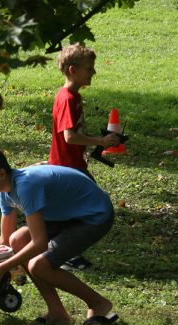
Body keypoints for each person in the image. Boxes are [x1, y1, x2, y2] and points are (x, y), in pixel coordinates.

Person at [0, 144, 118, 325]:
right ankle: (57, 313)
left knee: (39, 265)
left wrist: (1, 267)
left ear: (1, 174)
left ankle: (98, 303)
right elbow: (5, 239)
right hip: (66, 214)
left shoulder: (26, 187)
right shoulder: (4, 192)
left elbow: (39, 243)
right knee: (17, 239)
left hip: (94, 216)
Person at [48, 43, 120, 271]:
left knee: (78, 209)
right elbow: (69, 137)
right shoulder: (67, 98)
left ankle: (64, 252)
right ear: (73, 70)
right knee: (93, 207)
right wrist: (100, 141)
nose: (94, 72)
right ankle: (62, 254)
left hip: (73, 165)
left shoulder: (74, 96)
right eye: (89, 68)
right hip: (67, 167)